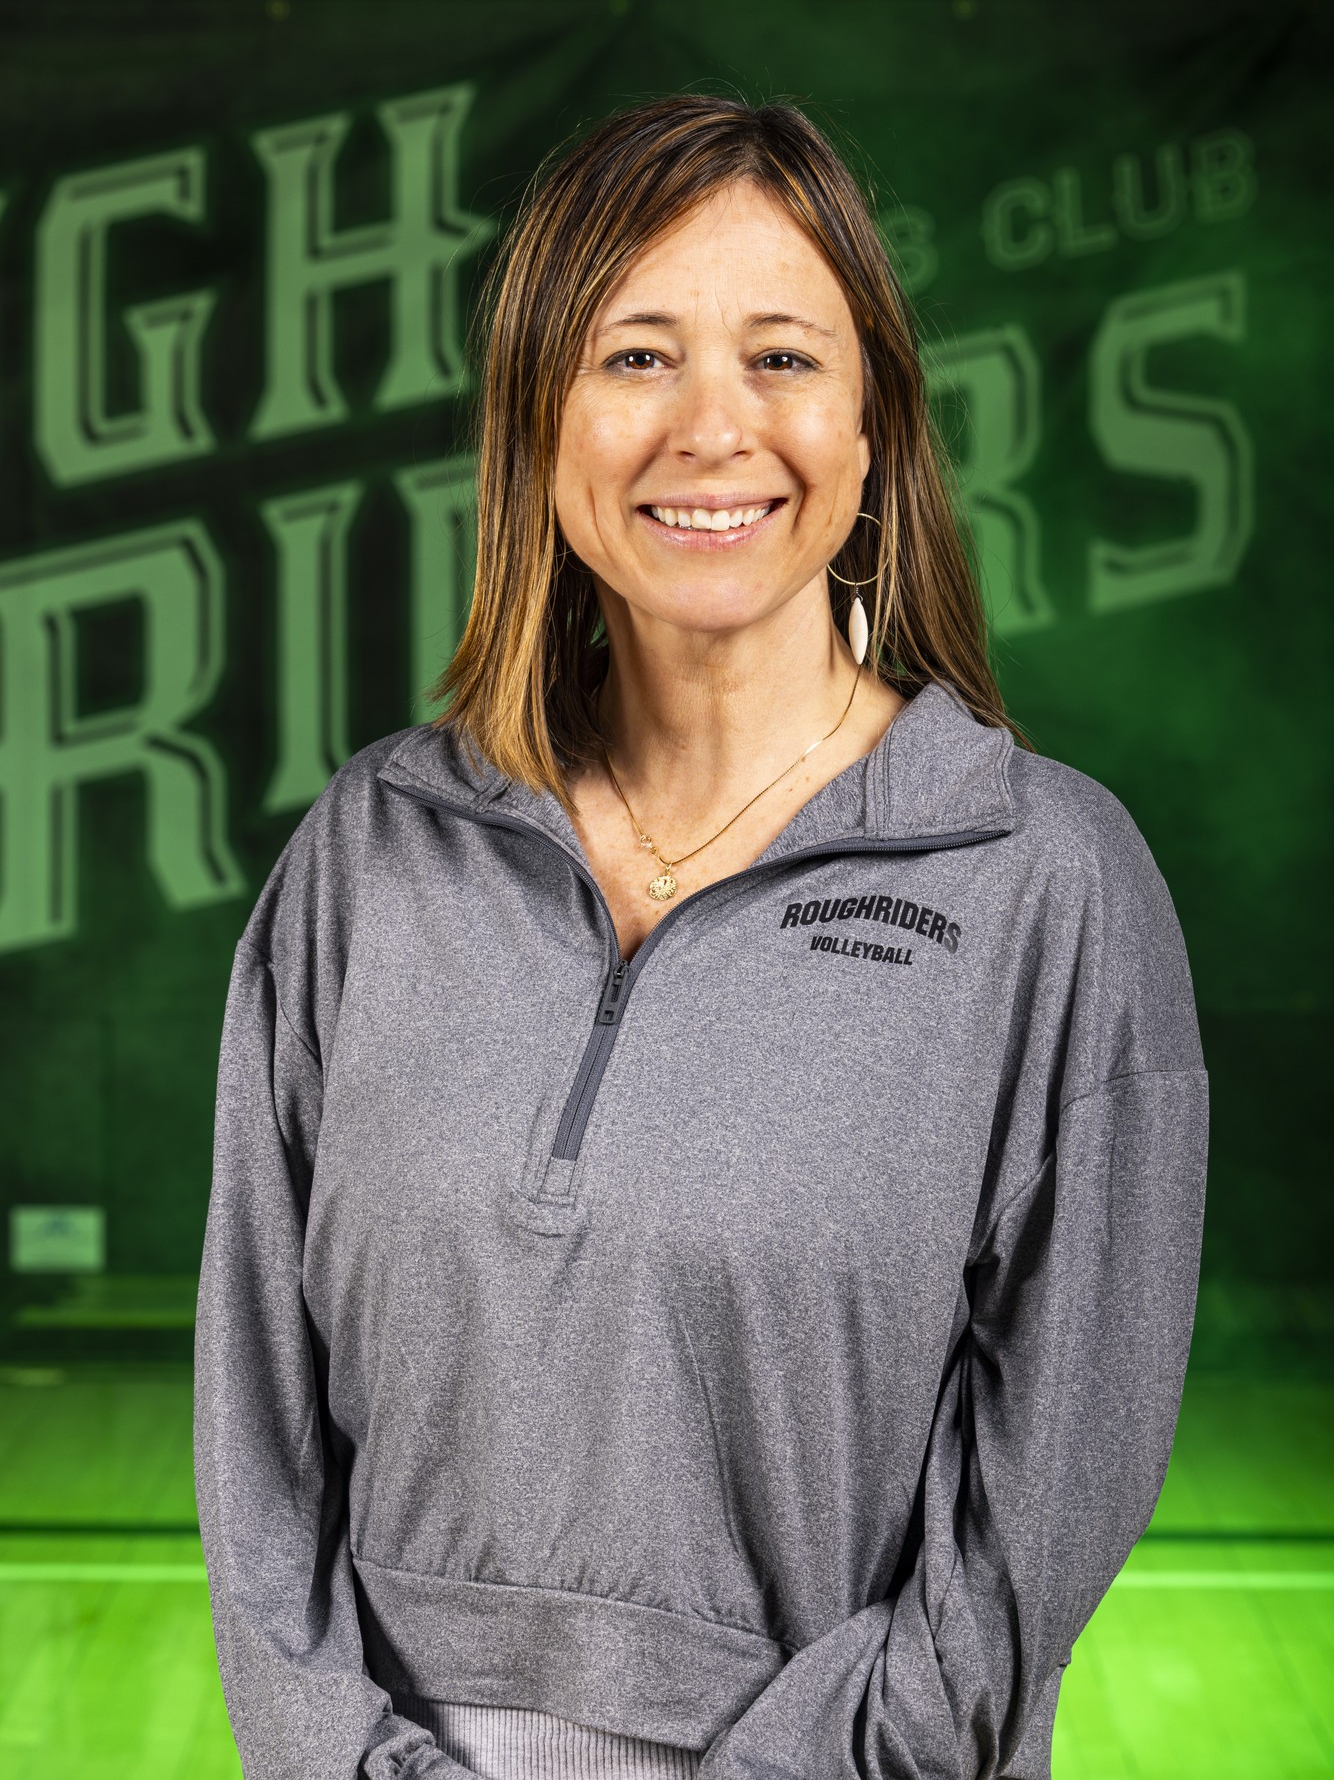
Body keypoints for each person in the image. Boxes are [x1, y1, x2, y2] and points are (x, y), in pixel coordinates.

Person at [194, 94, 1209, 1780]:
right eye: (637, 356)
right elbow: (255, 1412)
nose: (712, 427)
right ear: (540, 425)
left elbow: (1049, 1499)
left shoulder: (1046, 884)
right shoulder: (369, 856)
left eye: (782, 359)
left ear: (872, 429)